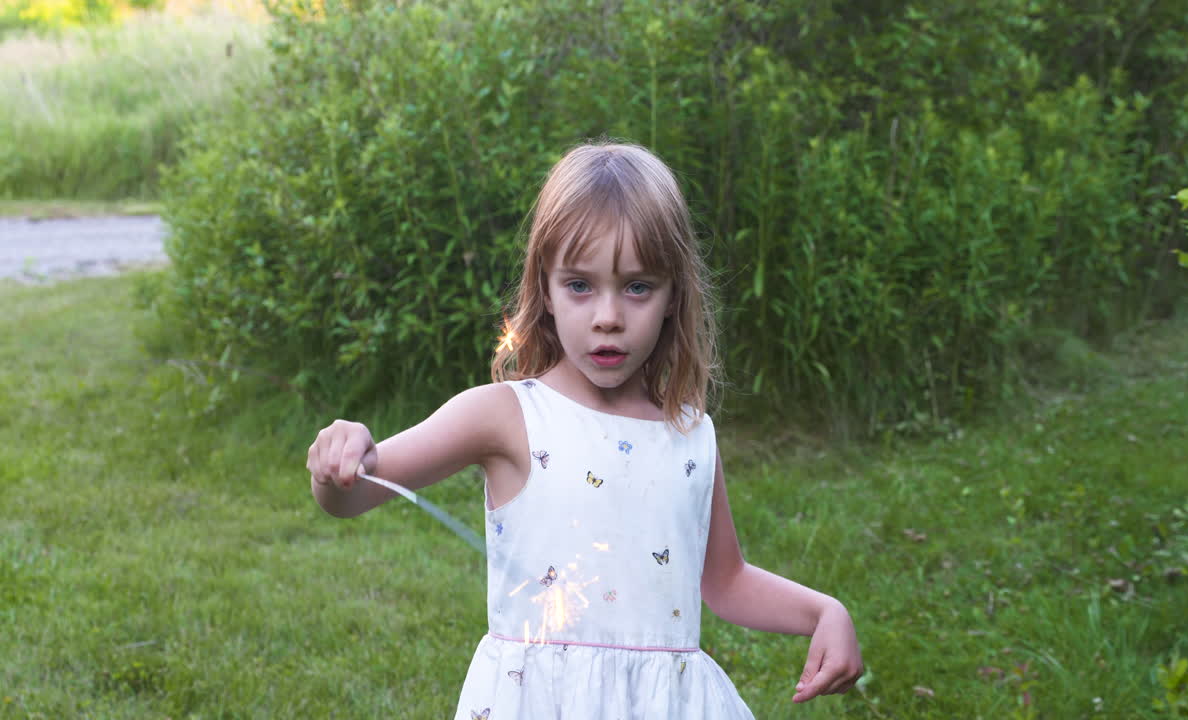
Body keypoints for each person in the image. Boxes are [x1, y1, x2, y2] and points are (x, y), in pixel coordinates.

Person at [306, 142, 863, 719]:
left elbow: (726, 580)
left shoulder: (691, 436)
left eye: (638, 287)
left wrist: (824, 612)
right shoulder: (505, 415)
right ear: (544, 287)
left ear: (675, 295)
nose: (608, 316)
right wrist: (341, 455)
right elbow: (354, 493)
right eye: (580, 285)